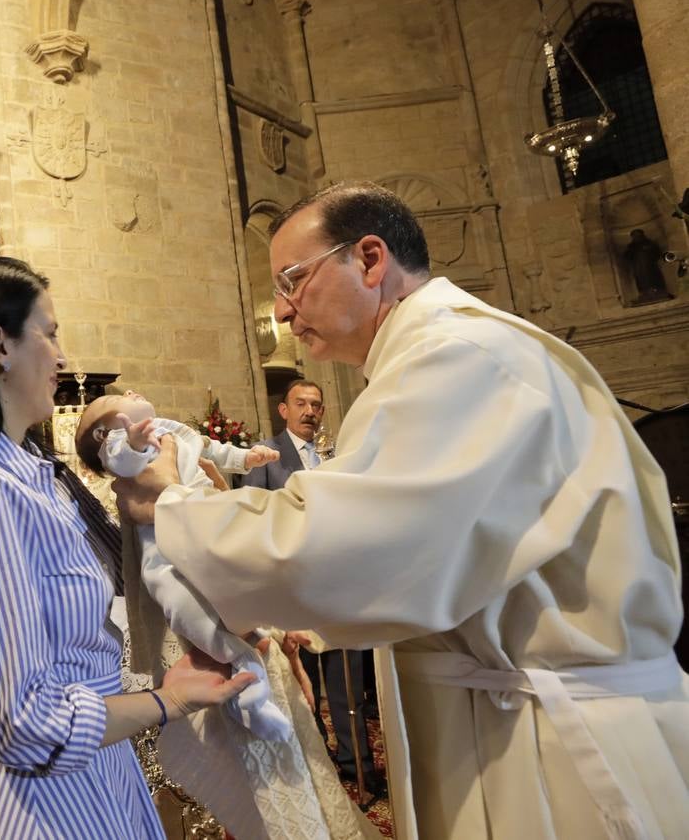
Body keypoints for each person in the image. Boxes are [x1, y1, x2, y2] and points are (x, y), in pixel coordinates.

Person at [117, 181, 689, 840]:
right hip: (505, 720)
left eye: (293, 281)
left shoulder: (460, 356)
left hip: (557, 754)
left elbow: (343, 548)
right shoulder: (432, 357)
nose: (280, 311)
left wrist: (174, 504)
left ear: (368, 259)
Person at [0, 257, 251, 839]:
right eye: (51, 333)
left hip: (97, 772)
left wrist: (152, 470)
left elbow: (134, 572)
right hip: (35, 803)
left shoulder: (40, 473)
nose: (63, 357)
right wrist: (167, 702)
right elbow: (21, 725)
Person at [76, 391, 286, 738]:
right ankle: (246, 676)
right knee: (184, 608)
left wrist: (247, 457)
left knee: (232, 593)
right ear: (104, 432)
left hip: (201, 523)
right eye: (112, 399)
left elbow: (214, 450)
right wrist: (133, 443)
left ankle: (248, 651)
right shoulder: (121, 440)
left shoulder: (171, 430)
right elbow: (123, 461)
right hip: (163, 551)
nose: (128, 392)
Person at [242, 379, 380, 790]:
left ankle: (359, 766)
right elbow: (253, 517)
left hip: (338, 588)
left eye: (316, 405)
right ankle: (318, 772)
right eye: (300, 403)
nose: (310, 411)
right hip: (291, 591)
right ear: (283, 410)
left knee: (348, 684)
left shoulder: (336, 455)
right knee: (305, 688)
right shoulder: (265, 455)